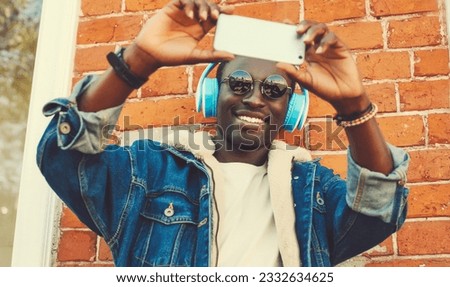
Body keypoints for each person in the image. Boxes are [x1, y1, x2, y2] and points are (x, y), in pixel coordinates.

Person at [37, 0, 410, 267]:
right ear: (212, 96)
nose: (255, 99)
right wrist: (138, 60)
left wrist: (354, 107)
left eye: (275, 90)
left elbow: (378, 212)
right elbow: (62, 156)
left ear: (291, 110)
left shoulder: (314, 190)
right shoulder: (146, 174)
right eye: (240, 82)